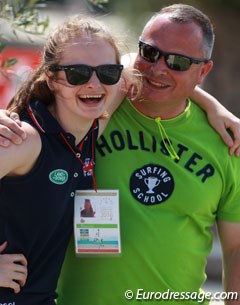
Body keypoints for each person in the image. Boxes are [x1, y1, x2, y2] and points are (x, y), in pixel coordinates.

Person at [1, 4, 240, 305]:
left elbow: (236, 247)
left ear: (203, 70)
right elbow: (125, 63)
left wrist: (211, 105)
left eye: (179, 62)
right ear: (51, 77)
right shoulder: (59, 127)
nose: (159, 68)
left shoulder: (228, 142)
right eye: (150, 53)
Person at [0, 14, 132, 305]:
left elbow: (150, 67)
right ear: (52, 78)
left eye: (108, 72)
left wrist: (215, 109)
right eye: (77, 73)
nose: (94, 84)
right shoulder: (25, 140)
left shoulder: (91, 126)